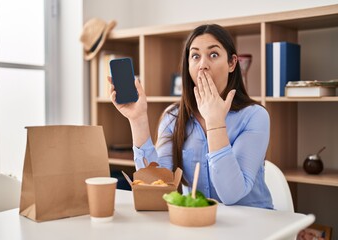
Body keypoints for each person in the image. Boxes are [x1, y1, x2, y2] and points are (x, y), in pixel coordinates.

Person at [109, 24, 273, 209]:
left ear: (232, 63)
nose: (203, 64)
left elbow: (231, 194)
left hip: (254, 224)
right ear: (188, 65)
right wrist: (137, 120)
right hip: (198, 221)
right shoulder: (173, 117)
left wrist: (215, 123)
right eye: (195, 56)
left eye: (213, 55)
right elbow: (157, 186)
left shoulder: (255, 116)